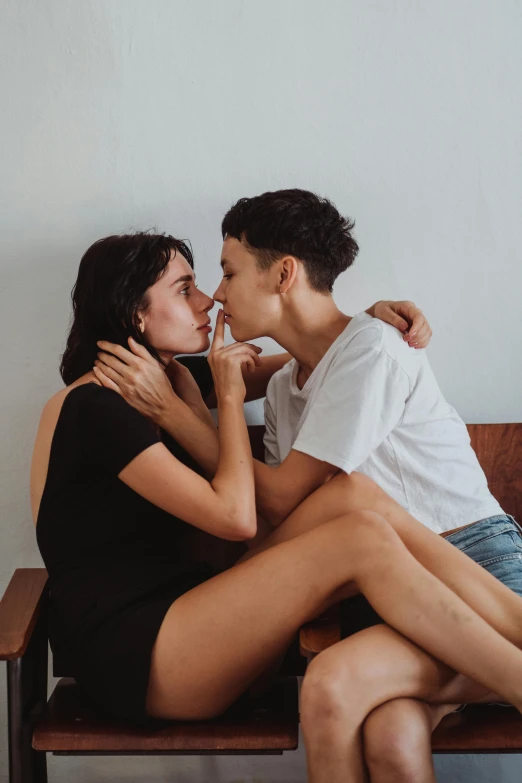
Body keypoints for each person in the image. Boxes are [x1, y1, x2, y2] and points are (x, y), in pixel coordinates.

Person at [95, 190, 522, 782]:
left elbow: (277, 499)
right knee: (391, 736)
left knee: (333, 685)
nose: (217, 294)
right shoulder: (283, 389)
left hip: (472, 565)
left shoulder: (374, 349)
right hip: (384, 591)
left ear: (285, 274)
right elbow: (281, 521)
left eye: (227, 271)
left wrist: (180, 415)